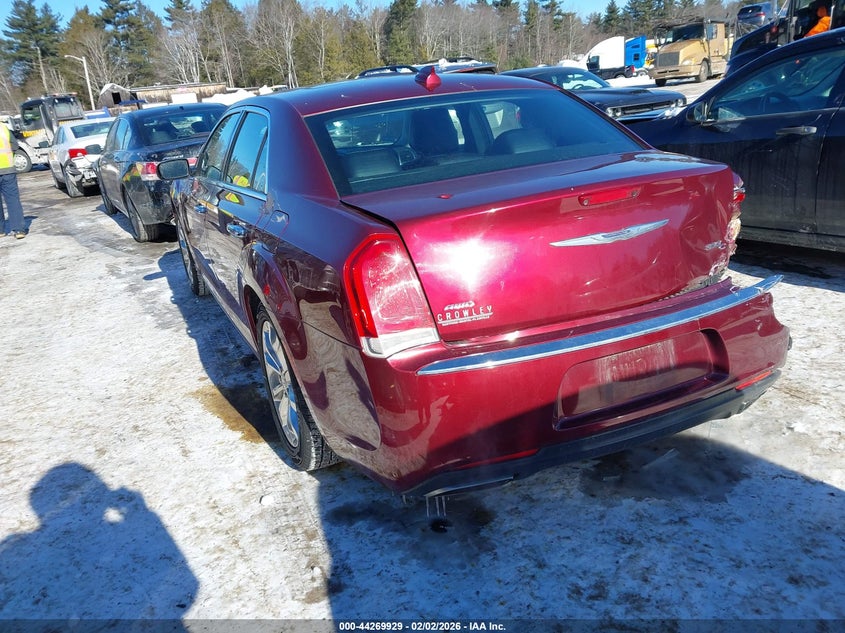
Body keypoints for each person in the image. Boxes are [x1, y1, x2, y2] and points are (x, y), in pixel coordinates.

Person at [0, 123, 26, 239]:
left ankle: (1, 231)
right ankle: (19, 230)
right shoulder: (3, 128)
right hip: (7, 169)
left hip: (7, 169)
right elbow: (14, 146)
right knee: (13, 200)